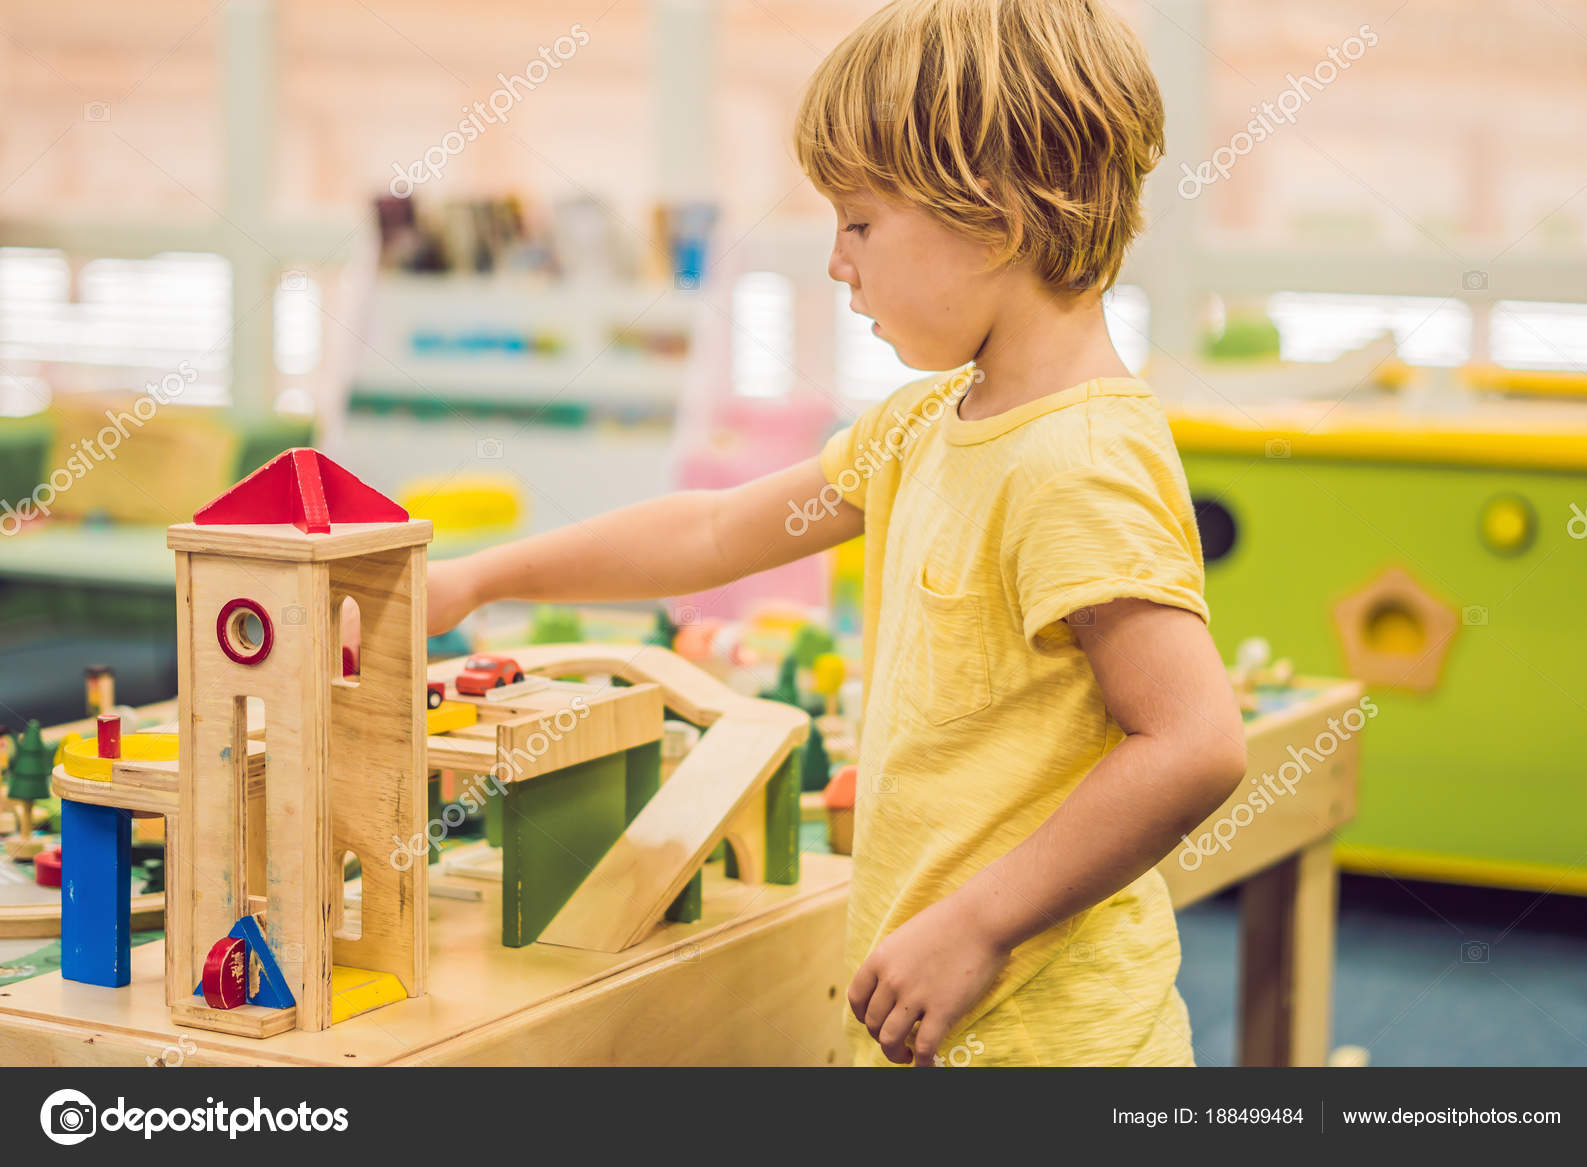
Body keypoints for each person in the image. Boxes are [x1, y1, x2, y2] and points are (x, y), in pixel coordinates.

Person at [422, 0, 1245, 1065]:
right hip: (942, 1027)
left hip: (1059, 1047)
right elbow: (714, 532)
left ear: (991, 217)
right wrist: (483, 576)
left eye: (859, 223)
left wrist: (979, 924)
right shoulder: (918, 430)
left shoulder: (1078, 459)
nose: (835, 262)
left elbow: (1192, 744)